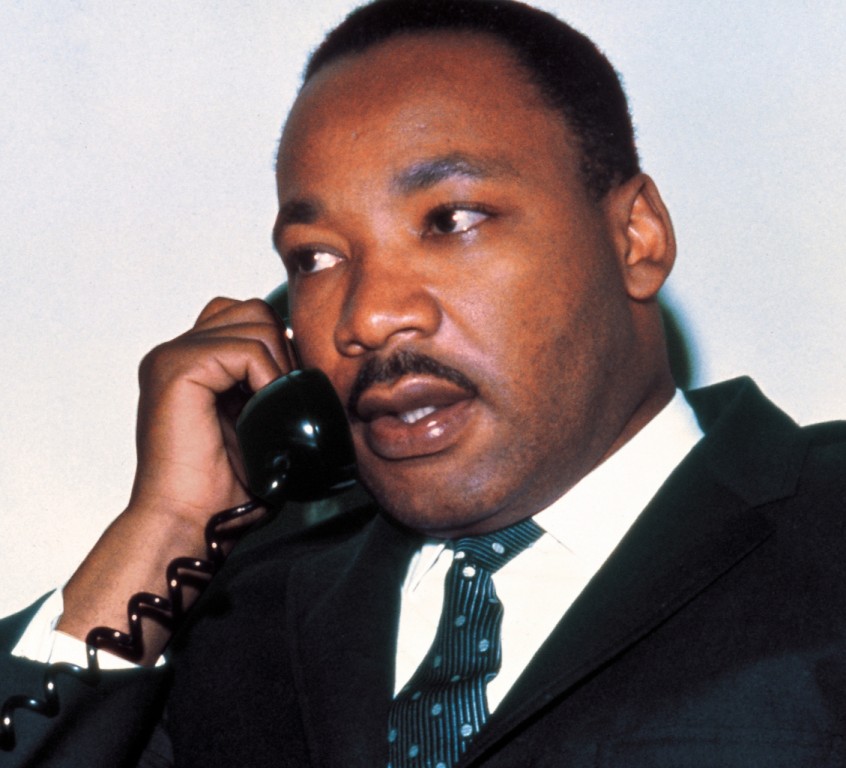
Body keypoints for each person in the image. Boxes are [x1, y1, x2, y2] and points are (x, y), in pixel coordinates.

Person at [2, 0, 845, 765]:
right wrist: (168, 526)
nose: (368, 317)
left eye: (451, 219)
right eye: (316, 258)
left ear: (636, 237)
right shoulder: (217, 630)